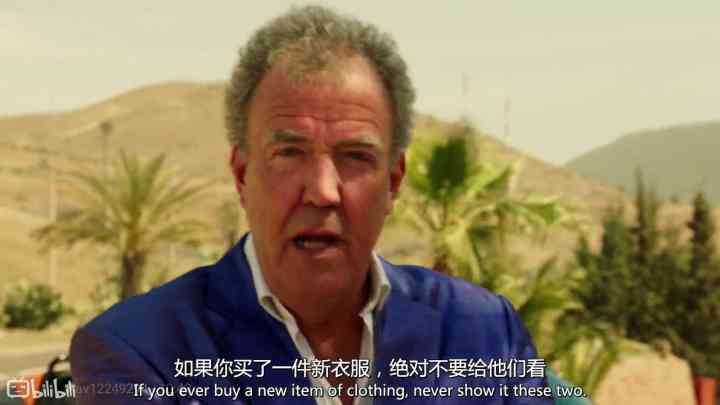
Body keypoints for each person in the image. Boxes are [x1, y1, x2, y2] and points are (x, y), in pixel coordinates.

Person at [69, 5, 554, 405]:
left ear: (393, 181)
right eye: (289, 153)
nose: (323, 191)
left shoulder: (483, 330)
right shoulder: (138, 351)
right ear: (242, 175)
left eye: (356, 157)